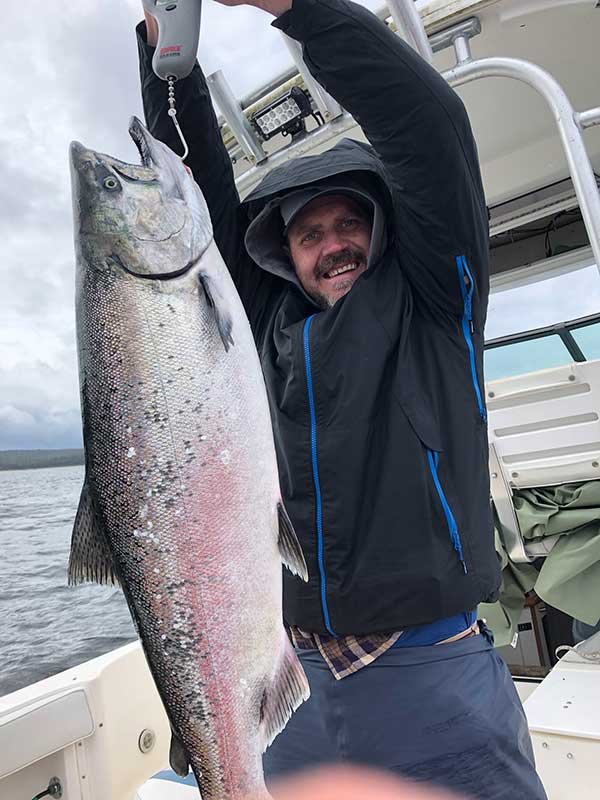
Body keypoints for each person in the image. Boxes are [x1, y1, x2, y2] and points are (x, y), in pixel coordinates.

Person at [137, 1, 548, 798]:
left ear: (381, 227)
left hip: (429, 673)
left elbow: (428, 125)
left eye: (348, 222)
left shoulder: (437, 300)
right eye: (309, 233)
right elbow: (196, 194)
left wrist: (296, 9)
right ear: (284, 253)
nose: (333, 245)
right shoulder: (261, 326)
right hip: (288, 682)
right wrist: (165, 56)